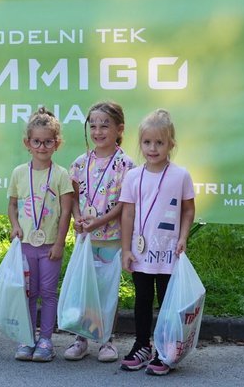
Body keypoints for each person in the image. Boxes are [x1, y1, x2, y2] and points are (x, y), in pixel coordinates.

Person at [118, 108, 195, 376]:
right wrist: (126, 248)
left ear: (171, 144)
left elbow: (188, 209)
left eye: (159, 143)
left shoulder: (180, 175)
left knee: (166, 302)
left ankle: (166, 349)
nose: (153, 148)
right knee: (142, 300)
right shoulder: (132, 176)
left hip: (168, 253)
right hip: (141, 253)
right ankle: (142, 345)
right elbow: (127, 213)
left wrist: (183, 237)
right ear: (140, 144)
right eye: (147, 142)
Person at [64, 101, 135, 362]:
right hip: (86, 238)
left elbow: (125, 205)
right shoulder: (81, 163)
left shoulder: (126, 165)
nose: (98, 131)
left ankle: (107, 340)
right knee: (85, 288)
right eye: (92, 125)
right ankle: (81, 338)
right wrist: (77, 218)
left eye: (105, 125)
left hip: (111, 238)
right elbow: (72, 196)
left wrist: (100, 220)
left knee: (107, 290)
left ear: (119, 129)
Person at [7, 107, 74, 362]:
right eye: (37, 141)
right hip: (26, 245)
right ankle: (27, 337)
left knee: (47, 292)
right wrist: (14, 225)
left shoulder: (60, 175)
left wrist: (59, 243)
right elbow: (12, 205)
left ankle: (46, 339)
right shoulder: (18, 173)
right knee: (28, 292)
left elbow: (66, 212)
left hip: (49, 247)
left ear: (56, 144)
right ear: (28, 143)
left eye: (48, 142)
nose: (42, 147)